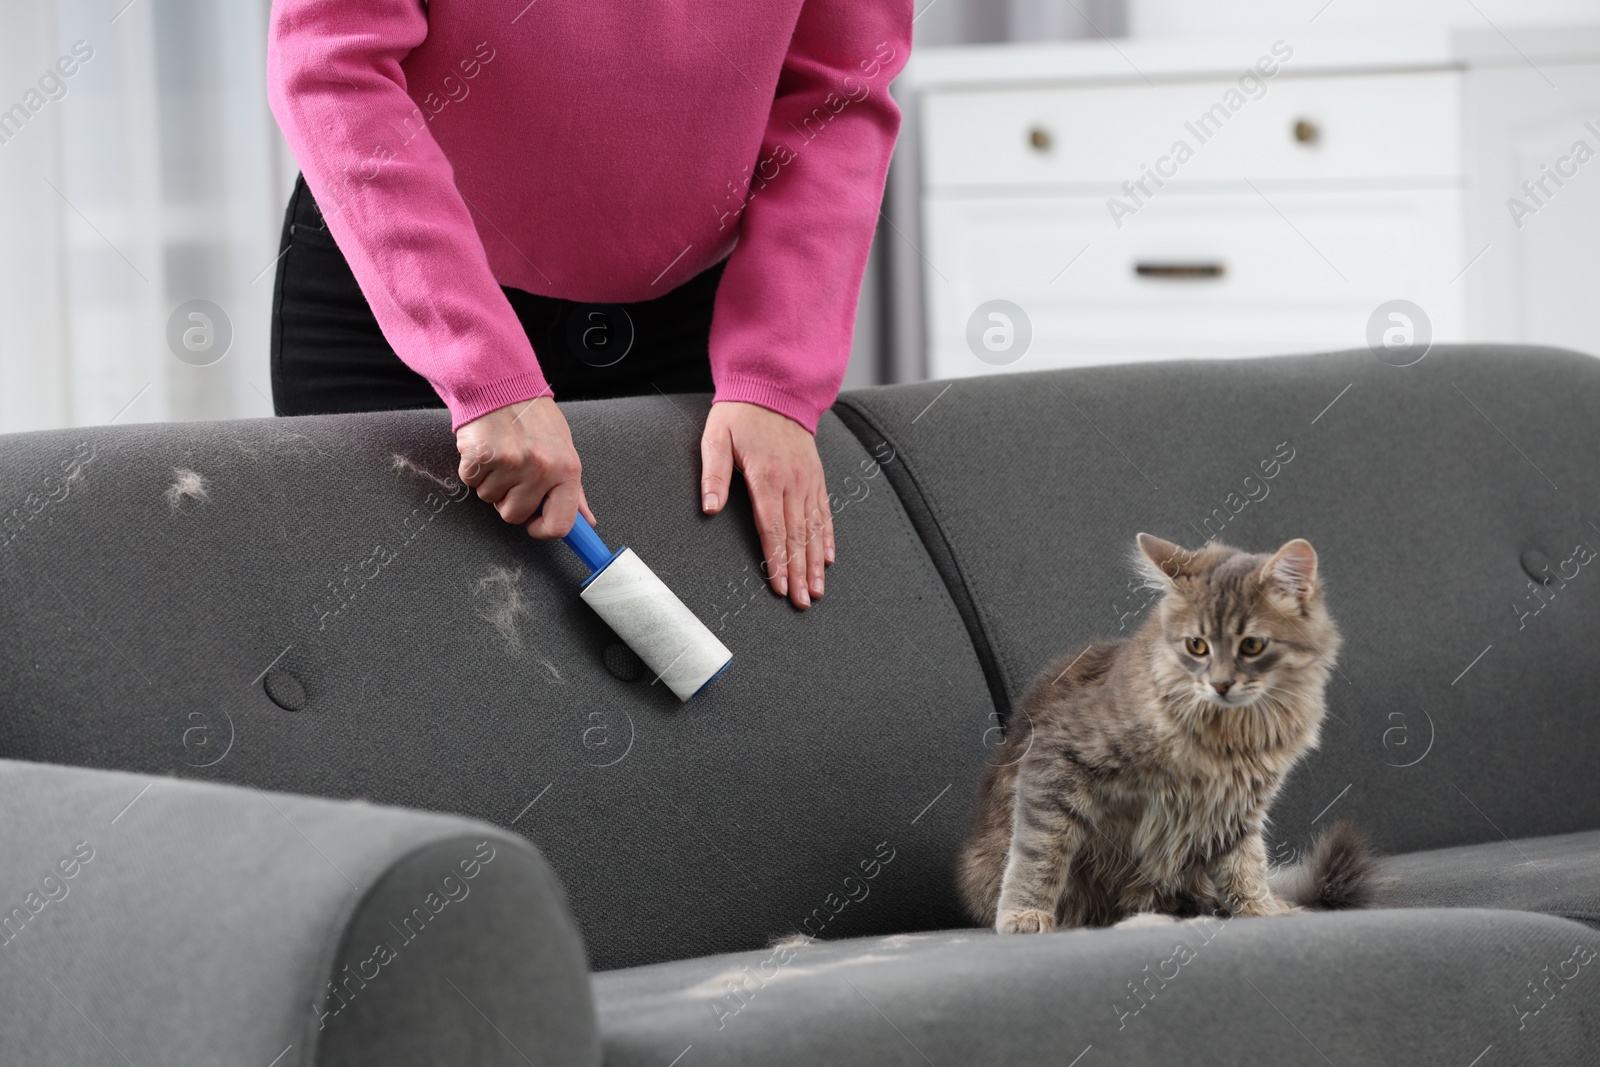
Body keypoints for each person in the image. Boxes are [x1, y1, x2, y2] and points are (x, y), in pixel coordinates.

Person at [265, 1, 911, 610]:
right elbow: (333, 64)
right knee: (405, 662)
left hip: (693, 327)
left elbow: (837, 96)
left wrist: (776, 372)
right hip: (402, 287)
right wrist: (482, 367)